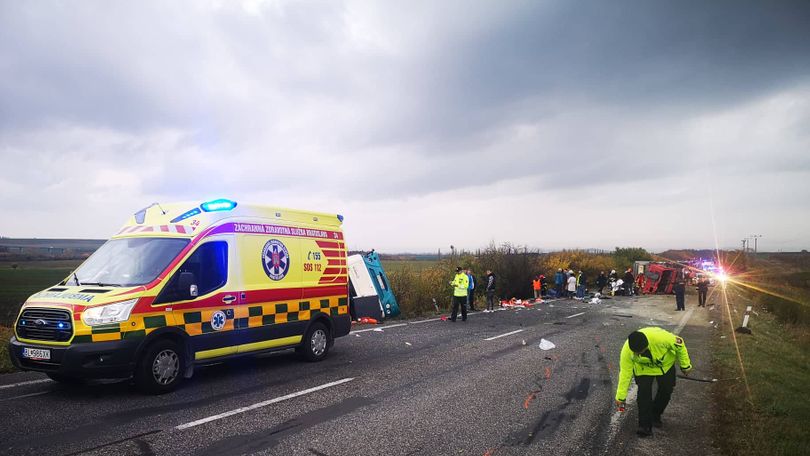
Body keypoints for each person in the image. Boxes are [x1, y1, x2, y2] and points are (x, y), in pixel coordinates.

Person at [615, 327, 693, 437]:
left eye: (641, 352)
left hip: (665, 366)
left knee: (666, 391)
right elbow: (625, 373)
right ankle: (644, 426)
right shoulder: (627, 351)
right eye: (636, 353)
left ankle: (655, 415)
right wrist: (620, 397)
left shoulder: (661, 338)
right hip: (643, 369)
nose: (639, 354)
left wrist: (685, 365)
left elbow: (680, 345)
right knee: (644, 394)